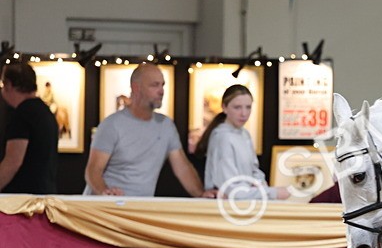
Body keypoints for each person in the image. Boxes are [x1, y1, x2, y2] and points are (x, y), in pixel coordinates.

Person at [84, 63, 213, 197]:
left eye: (162, 85)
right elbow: (93, 170)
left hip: (140, 208)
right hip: (108, 208)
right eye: (154, 85)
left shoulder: (166, 125)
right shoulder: (112, 125)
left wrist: (201, 194)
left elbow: (183, 168)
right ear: (136, 88)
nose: (161, 91)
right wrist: (105, 192)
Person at [196, 85, 290, 201]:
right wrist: (271, 193)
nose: (244, 113)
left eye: (248, 107)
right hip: (229, 208)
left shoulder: (244, 134)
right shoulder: (222, 138)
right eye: (237, 107)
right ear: (224, 107)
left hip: (245, 203)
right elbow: (231, 189)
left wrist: (260, 184)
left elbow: (254, 171)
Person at [0, 62, 58, 194]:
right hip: (44, 194)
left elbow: (13, 161)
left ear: (8, 85)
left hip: (23, 201)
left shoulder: (22, 114)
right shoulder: (45, 111)